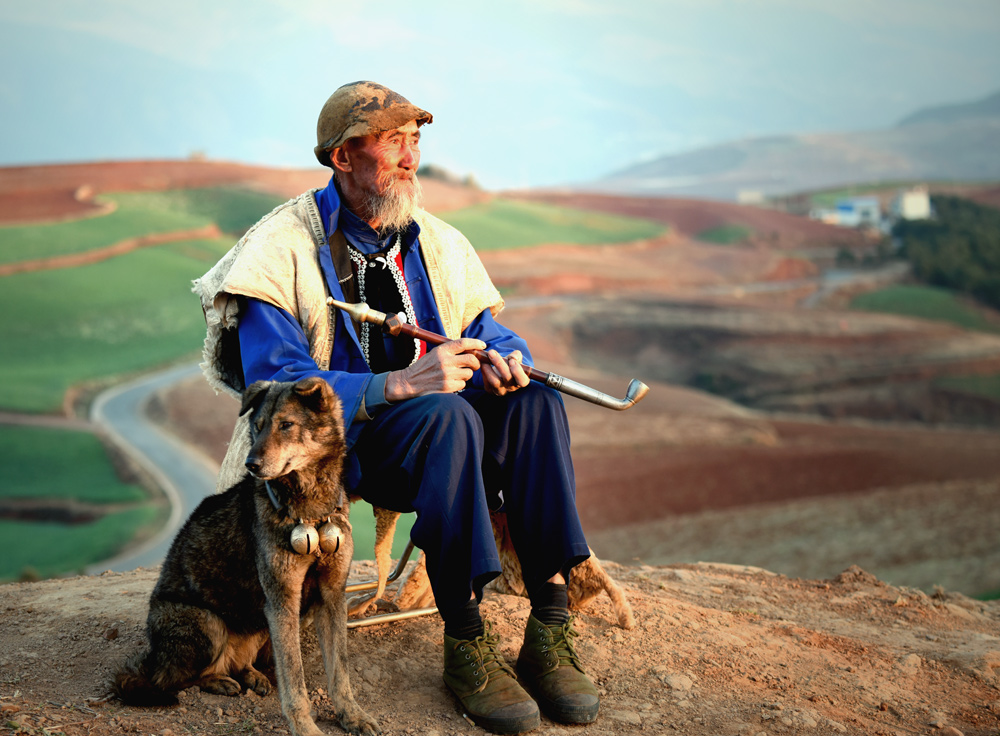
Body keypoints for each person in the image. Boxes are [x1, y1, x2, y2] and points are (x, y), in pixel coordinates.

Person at [194, 81, 599, 734]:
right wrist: (396, 387)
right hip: (338, 453)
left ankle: (550, 625)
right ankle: (466, 641)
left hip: (440, 437)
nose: (412, 158)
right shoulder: (280, 248)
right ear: (342, 158)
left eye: (415, 142)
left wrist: (507, 354)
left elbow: (482, 327)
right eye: (392, 144)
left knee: (535, 403)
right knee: (448, 415)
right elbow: (274, 383)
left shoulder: (433, 241)